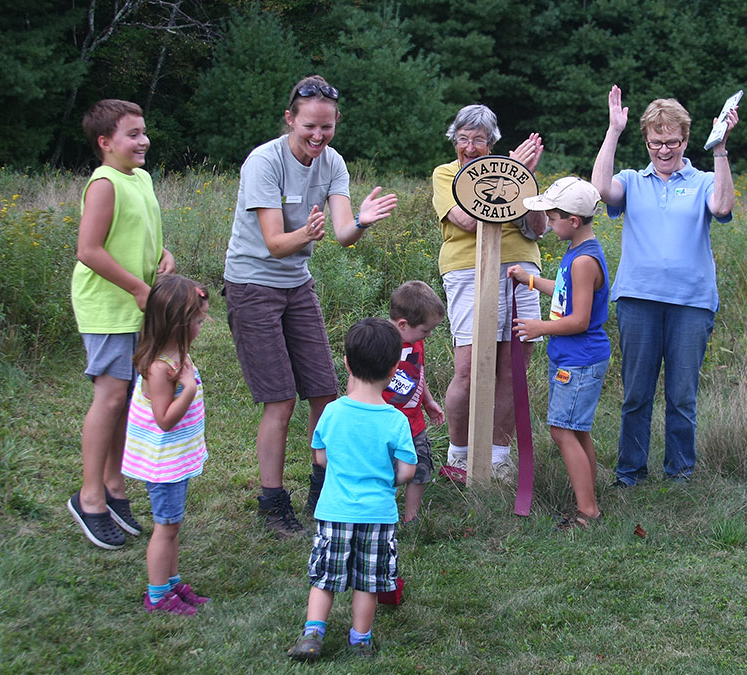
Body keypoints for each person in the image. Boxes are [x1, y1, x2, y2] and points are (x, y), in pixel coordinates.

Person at [223, 75, 398, 537]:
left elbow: (342, 234)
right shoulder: (264, 162)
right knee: (280, 401)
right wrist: (306, 234)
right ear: (290, 119)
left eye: (327, 127)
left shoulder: (333, 163)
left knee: (324, 392)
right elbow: (276, 243)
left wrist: (360, 221)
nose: (318, 137)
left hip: (297, 285)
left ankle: (323, 490)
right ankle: (272, 502)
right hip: (253, 285)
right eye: (309, 128)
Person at [591, 86, 738, 486]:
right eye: (656, 142)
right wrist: (613, 131)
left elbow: (722, 207)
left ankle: (680, 475)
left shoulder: (705, 179)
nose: (665, 150)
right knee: (637, 394)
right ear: (646, 141)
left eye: (672, 141)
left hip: (691, 303)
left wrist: (720, 149)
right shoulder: (632, 181)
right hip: (638, 301)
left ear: (686, 139)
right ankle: (630, 473)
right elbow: (600, 190)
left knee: (682, 396)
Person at [67, 99, 176, 550]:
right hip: (109, 307)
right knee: (110, 397)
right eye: (132, 134)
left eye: (144, 132)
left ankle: (113, 486)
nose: (143, 140)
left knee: (128, 397)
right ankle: (89, 497)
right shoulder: (105, 183)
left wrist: (162, 255)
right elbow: (89, 250)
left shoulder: (141, 178)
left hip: (138, 305)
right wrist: (136, 287)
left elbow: (141, 234)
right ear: (105, 142)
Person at [287, 318, 417, 661]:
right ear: (393, 368)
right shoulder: (396, 420)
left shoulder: (331, 412)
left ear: (345, 362)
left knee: (325, 577)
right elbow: (407, 470)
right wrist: (387, 478)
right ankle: (360, 639)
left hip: (334, 511)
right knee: (368, 582)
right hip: (378, 515)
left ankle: (312, 633)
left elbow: (321, 457)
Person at [431, 104, 547, 478]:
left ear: (491, 141)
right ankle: (459, 454)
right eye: (462, 138)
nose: (469, 146)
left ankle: (499, 456)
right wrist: (506, 176)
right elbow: (465, 220)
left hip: (520, 268)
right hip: (467, 269)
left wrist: (523, 176)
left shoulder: (515, 172)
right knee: (467, 368)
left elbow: (537, 227)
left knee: (513, 367)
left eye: (478, 139)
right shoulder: (445, 173)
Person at [508, 177, 610, 529]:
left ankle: (588, 512)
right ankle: (589, 499)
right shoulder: (578, 252)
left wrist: (540, 327)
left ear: (573, 221)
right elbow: (566, 292)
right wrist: (530, 280)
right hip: (574, 356)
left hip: (579, 358)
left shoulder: (584, 261)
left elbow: (579, 319)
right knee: (576, 430)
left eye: (552, 219)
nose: (549, 225)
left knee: (562, 430)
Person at [123, 275, 211, 615]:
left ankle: (172, 584)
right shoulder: (161, 368)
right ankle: (158, 595)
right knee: (166, 527)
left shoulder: (178, 355)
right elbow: (164, 419)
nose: (202, 326)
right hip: (163, 464)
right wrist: (187, 388)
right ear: (178, 324)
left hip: (175, 458)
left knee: (173, 524)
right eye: (199, 321)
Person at [383, 281, 446, 525]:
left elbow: (416, 373)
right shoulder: (383, 345)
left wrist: (428, 401)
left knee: (421, 466)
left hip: (414, 423)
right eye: (426, 330)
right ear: (402, 324)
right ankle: (384, 513)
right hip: (386, 424)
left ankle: (412, 518)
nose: (429, 335)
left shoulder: (414, 341)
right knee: (385, 469)